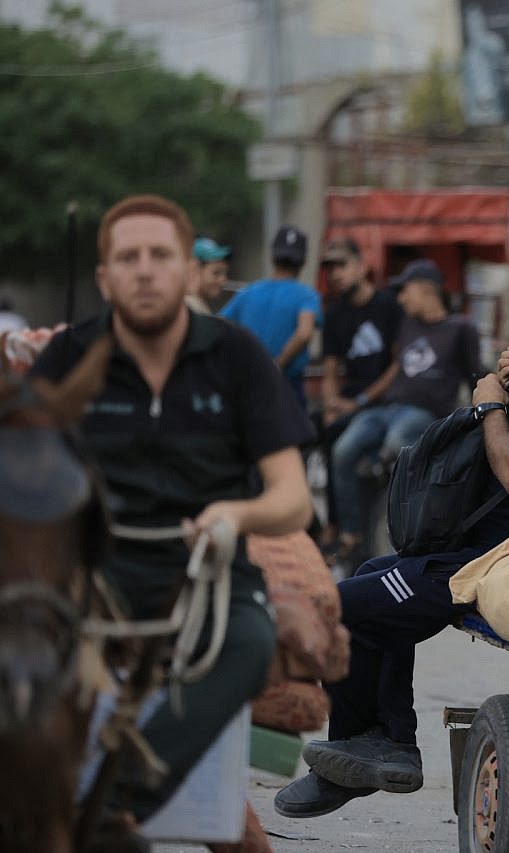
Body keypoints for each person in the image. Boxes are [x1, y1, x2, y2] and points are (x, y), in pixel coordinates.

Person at [30, 195, 314, 838]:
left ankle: (112, 809)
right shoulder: (69, 358)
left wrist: (235, 515)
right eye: (127, 258)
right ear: (105, 278)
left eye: (160, 255)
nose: (145, 270)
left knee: (249, 641)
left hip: (207, 570)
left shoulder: (238, 357)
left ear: (189, 271)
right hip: (93, 569)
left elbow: (292, 497)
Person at [274, 277, 509, 818]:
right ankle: (373, 743)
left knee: (343, 605)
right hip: (492, 552)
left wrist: (489, 408)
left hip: (487, 565)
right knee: (375, 572)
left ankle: (378, 748)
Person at [327, 259, 481, 562]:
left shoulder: (460, 328)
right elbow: (397, 369)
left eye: (405, 291)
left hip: (424, 411)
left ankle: (404, 513)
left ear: (426, 290)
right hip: (388, 408)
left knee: (396, 443)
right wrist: (357, 402)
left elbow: (475, 377)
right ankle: (351, 532)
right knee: (343, 448)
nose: (401, 299)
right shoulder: (407, 325)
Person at [315, 238, 403, 553]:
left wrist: (361, 400)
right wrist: (331, 402)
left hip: (383, 403)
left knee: (340, 442)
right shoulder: (335, 313)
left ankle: (344, 527)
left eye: (342, 265)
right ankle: (324, 523)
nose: (336, 274)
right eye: (330, 268)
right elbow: (329, 370)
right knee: (312, 428)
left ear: (361, 266)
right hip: (350, 403)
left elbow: (398, 364)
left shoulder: (387, 306)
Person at [219, 225, 321, 405]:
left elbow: (219, 325)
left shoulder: (248, 292)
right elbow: (304, 333)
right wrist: (277, 365)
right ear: (303, 261)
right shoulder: (306, 295)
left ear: (272, 257)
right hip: (287, 385)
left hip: (248, 383)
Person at [186, 236, 231, 315]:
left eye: (225, 273)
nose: (223, 280)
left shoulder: (198, 307)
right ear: (194, 270)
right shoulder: (189, 308)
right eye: (216, 273)